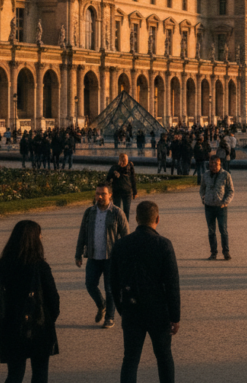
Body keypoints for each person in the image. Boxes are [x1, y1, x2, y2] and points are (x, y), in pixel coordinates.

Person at [110, 201, 181, 383]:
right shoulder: (164, 244)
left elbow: (113, 282)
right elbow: (172, 283)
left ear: (136, 219)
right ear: (157, 219)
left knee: (130, 359)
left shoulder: (121, 245)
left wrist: (121, 308)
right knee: (164, 357)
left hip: (132, 308)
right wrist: (175, 315)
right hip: (158, 309)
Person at [0, 220, 60, 383]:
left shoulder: (1, 265)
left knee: (14, 374)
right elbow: (53, 298)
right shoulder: (40, 266)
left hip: (11, 325)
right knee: (40, 373)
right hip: (38, 324)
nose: (42, 237)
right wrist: (49, 319)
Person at [74, 185, 129, 329]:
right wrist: (78, 254)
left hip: (111, 257)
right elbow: (82, 234)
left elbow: (126, 237)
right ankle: (101, 304)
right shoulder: (89, 212)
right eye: (97, 194)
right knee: (90, 284)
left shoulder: (117, 213)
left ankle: (110, 317)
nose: (99, 197)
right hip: (93, 256)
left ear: (110, 195)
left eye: (103, 194)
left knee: (110, 289)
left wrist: (125, 258)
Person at [200, 155, 234, 260]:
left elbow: (231, 191)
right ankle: (213, 253)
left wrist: (226, 202)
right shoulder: (205, 175)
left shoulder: (226, 175)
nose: (213, 167)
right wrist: (203, 198)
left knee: (223, 230)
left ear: (219, 164)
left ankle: (226, 252)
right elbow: (202, 189)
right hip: (209, 206)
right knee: (211, 231)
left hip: (221, 207)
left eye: (215, 165)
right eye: (211, 165)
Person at [106, 153, 137, 222]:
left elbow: (133, 179)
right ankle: (117, 224)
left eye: (126, 160)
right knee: (117, 210)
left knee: (126, 210)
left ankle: (125, 225)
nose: (124, 162)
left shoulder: (130, 166)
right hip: (117, 191)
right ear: (120, 160)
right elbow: (108, 179)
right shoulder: (114, 167)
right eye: (123, 160)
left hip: (127, 192)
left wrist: (135, 192)